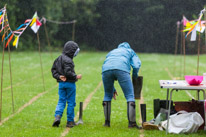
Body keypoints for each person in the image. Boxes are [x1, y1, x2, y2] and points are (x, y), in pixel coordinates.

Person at [102, 42, 141, 128]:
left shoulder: (112, 51)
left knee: (107, 95)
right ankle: (132, 123)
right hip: (122, 69)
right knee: (130, 96)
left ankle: (107, 123)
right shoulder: (130, 51)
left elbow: (110, 67)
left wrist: (112, 89)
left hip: (105, 70)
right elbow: (136, 66)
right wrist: (134, 77)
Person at [51, 41, 82, 128]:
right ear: (71, 51)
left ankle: (57, 116)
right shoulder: (69, 61)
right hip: (70, 84)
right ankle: (70, 121)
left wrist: (59, 76)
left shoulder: (58, 58)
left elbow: (53, 70)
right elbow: (68, 72)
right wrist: (76, 76)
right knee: (71, 102)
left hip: (61, 84)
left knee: (61, 101)